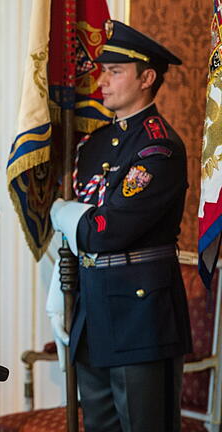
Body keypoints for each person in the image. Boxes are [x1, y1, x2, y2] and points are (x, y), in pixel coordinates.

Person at [48, 20, 192, 432]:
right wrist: (60, 294)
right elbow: (82, 236)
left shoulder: (158, 146)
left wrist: (64, 213)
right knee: (100, 425)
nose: (102, 81)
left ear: (146, 78)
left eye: (115, 72)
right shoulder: (93, 146)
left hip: (140, 312)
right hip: (92, 307)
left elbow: (104, 232)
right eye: (102, 71)